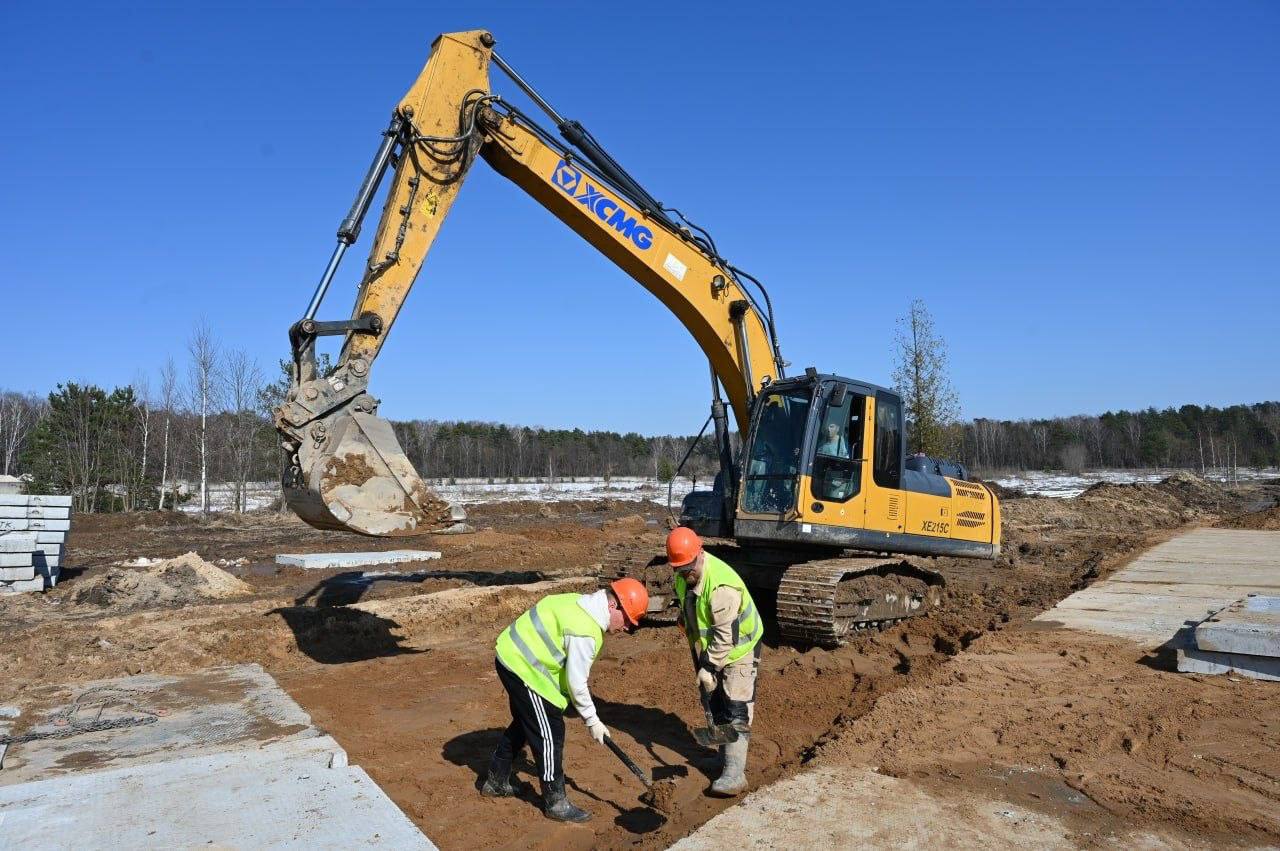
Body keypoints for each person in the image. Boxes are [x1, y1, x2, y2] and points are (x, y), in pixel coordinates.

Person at [481, 578, 649, 822]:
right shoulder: (586, 631)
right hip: (523, 666)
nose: (626, 628)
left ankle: (496, 780)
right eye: (627, 621)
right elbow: (577, 684)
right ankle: (555, 802)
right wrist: (593, 721)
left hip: (511, 653)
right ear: (614, 606)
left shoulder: (579, 602)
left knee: (528, 723)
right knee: (550, 731)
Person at [666, 526, 763, 797]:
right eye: (680, 569)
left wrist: (708, 667)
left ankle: (735, 773)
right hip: (713, 648)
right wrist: (685, 619)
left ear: (701, 554)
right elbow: (690, 604)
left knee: (735, 706)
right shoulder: (683, 577)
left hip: (739, 648)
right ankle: (723, 757)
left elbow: (725, 636)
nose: (687, 574)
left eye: (689, 567)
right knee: (715, 701)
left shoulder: (722, 588)